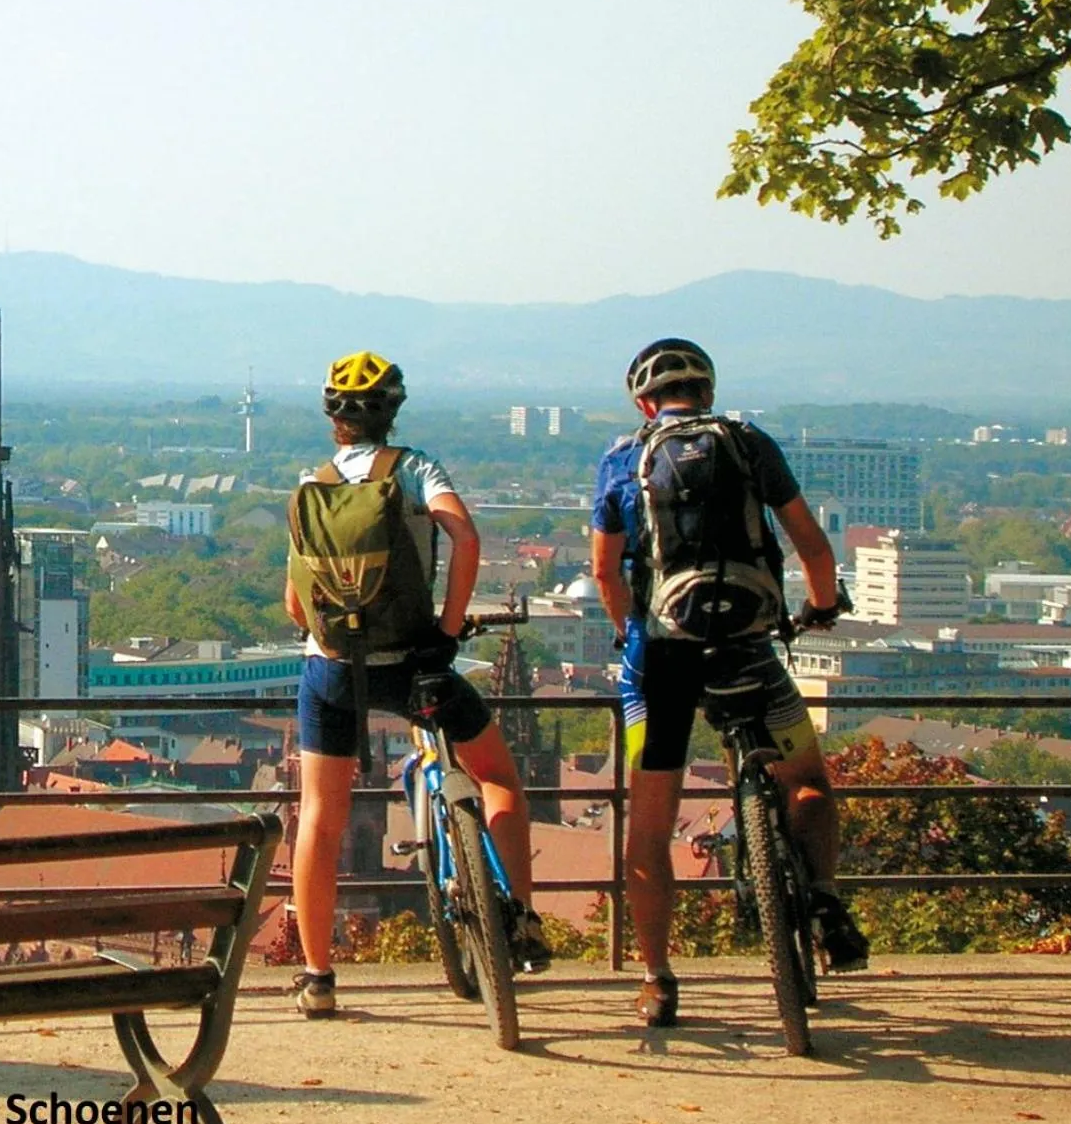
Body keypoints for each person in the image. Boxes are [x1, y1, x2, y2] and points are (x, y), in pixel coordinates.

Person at [591, 338, 868, 1029]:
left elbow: (603, 570)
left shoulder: (623, 459)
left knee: (650, 826)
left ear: (643, 402)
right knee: (807, 780)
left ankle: (656, 980)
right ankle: (825, 896)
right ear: (707, 395)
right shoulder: (749, 444)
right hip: (746, 647)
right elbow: (811, 543)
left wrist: (631, 635)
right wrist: (823, 605)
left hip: (661, 663)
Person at [284, 350, 551, 1018]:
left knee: (319, 815)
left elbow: (295, 607)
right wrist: (448, 627)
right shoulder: (415, 468)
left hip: (331, 669)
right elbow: (464, 536)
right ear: (392, 410)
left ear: (333, 419)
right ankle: (519, 916)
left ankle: (318, 977)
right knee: (496, 778)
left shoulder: (310, 488)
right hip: (414, 662)